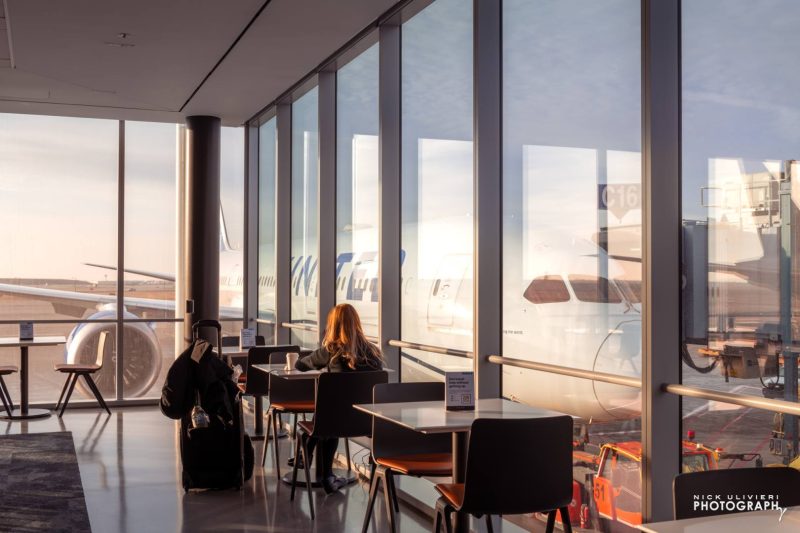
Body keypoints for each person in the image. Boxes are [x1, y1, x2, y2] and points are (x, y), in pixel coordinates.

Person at [294, 303, 383, 493]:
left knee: (328, 418)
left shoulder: (331, 351)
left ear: (332, 325)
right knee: (331, 416)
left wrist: (320, 364)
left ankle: (316, 463)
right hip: (368, 422)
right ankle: (313, 460)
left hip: (335, 423)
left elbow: (300, 365)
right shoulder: (374, 353)